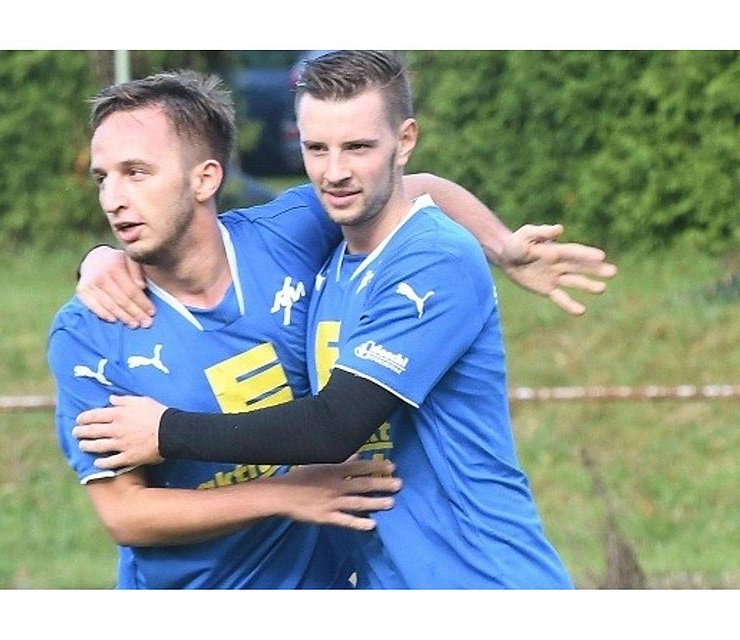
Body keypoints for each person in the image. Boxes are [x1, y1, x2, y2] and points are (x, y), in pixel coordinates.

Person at [50, 68, 612, 589]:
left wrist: (499, 247)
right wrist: (280, 494)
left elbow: (413, 187)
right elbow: (125, 513)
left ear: (206, 177)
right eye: (104, 177)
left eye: (137, 173)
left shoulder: (293, 232)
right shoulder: (90, 328)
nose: (113, 199)